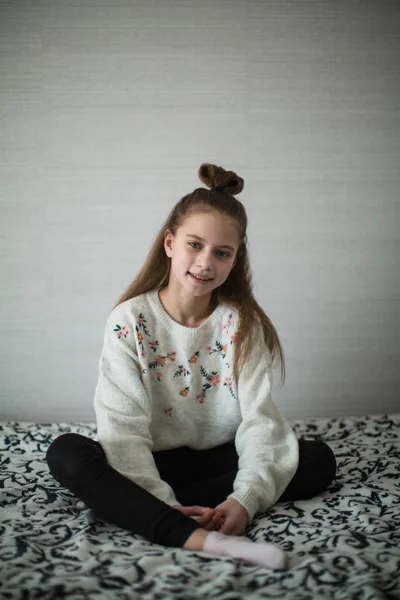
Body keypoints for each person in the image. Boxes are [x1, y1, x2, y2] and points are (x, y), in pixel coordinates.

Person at [46, 163, 336, 570]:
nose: (205, 262)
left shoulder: (242, 326)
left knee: (315, 459)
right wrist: (160, 498)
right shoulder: (128, 321)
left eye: (222, 253)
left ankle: (134, 504)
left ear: (234, 261)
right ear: (170, 243)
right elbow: (122, 430)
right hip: (151, 461)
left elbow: (259, 422)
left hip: (221, 460)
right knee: (67, 453)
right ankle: (193, 533)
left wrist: (244, 500)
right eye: (194, 245)